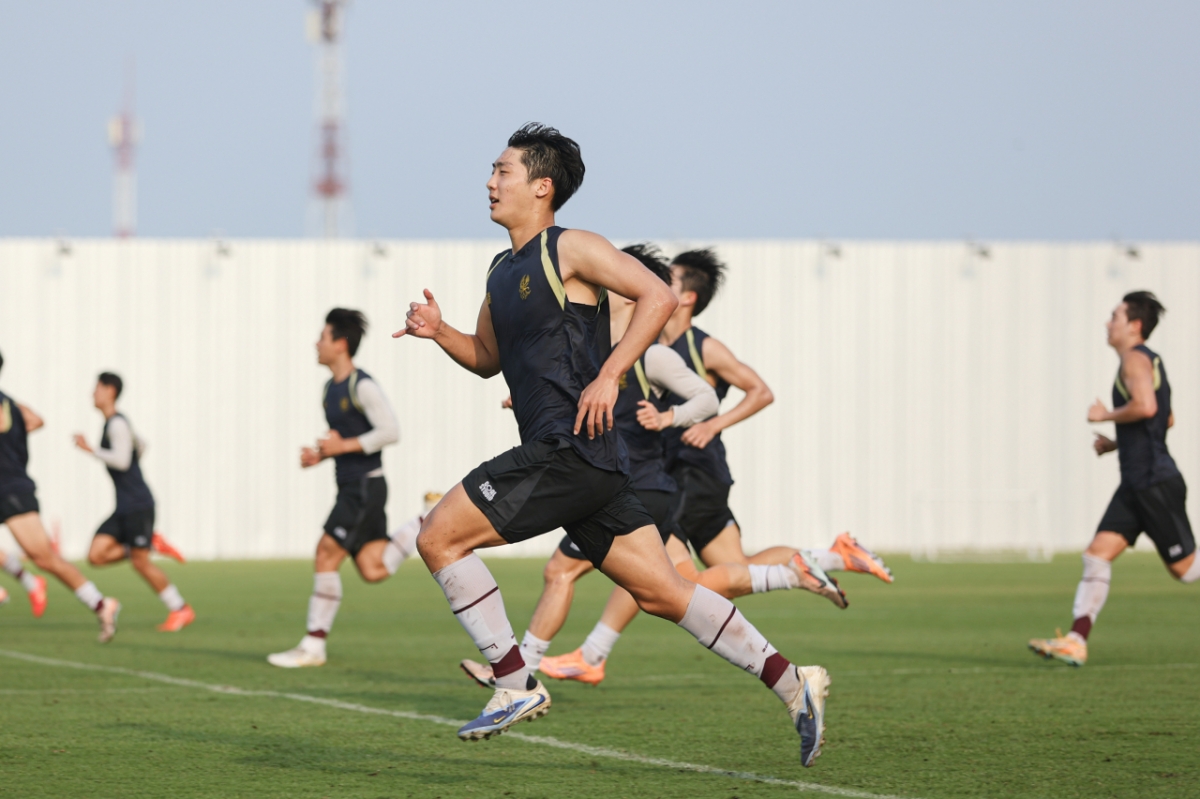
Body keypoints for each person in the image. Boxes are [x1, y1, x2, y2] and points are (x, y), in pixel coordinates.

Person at [396, 123, 829, 766]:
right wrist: (441, 333)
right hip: (591, 461)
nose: (490, 182)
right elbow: (487, 358)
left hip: (567, 449)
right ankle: (796, 684)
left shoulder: (571, 247)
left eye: (502, 171)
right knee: (664, 593)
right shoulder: (499, 270)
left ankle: (515, 681)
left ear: (542, 187)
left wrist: (607, 373)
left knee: (437, 537)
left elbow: (656, 294)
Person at [460, 243, 846, 690]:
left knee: (573, 573)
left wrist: (670, 418)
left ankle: (529, 672)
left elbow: (707, 396)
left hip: (639, 483)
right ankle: (792, 594)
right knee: (675, 587)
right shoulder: (589, 350)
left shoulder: (655, 355)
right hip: (625, 482)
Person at [654, 248, 894, 588]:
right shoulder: (649, 343)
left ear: (689, 297)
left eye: (669, 279)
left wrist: (711, 425)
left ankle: (596, 644)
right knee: (737, 567)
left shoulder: (703, 347)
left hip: (695, 470)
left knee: (666, 576)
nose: (658, 281)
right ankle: (838, 556)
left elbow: (761, 392)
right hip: (676, 468)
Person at [1030, 291, 1199, 666]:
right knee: (1096, 556)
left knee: (1187, 572)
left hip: (1154, 483)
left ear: (1134, 325)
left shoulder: (1135, 361)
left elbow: (1147, 408)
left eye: (1115, 316)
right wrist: (1117, 443)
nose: (1108, 323)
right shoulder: (1146, 362)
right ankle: (1076, 640)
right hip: (1137, 484)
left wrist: (1105, 415)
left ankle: (1077, 639)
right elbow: (1164, 419)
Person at [268, 309, 416, 668]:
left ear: (341, 344)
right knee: (372, 569)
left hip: (364, 489)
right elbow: (346, 439)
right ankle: (426, 522)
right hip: (353, 487)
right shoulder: (329, 390)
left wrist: (341, 447)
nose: (316, 344)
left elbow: (390, 431)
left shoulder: (360, 384)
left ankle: (313, 646)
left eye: (322, 336)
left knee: (325, 552)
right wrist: (320, 454)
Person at [0, 350, 120, 640]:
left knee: (44, 558)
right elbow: (35, 420)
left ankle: (101, 603)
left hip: (11, 489)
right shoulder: (11, 402)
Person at [75, 373, 194, 632]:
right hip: (124, 506)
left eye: (96, 388)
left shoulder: (117, 424)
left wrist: (90, 449)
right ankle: (151, 543)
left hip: (138, 503)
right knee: (96, 555)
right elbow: (142, 445)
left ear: (110, 391)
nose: (92, 394)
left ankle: (180, 609)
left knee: (141, 563)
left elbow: (123, 461)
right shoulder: (114, 424)